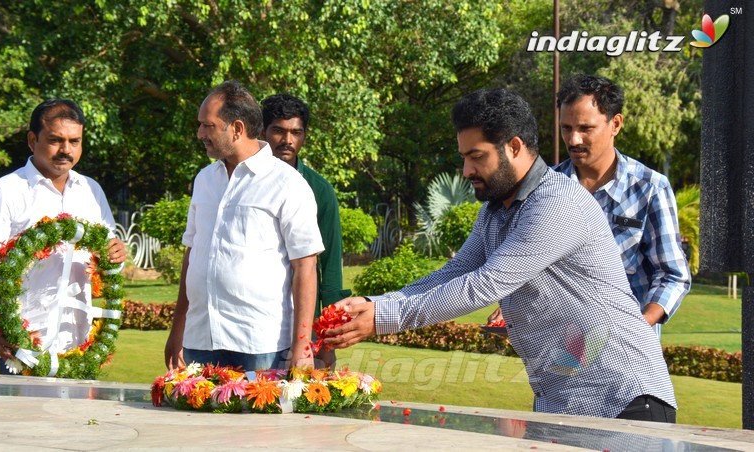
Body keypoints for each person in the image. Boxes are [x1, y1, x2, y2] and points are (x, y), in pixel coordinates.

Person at [325, 88, 677, 422]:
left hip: (624, 398)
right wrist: (374, 303)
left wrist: (385, 317)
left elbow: (484, 284)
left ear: (513, 147)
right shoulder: (496, 210)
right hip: (563, 399)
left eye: (477, 157)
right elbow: (457, 271)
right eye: (464, 158)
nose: (466, 172)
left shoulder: (557, 202)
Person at [487, 75, 691, 336]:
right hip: (558, 348)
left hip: (627, 357)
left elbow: (672, 275)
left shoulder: (650, 188)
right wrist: (511, 306)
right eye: (566, 128)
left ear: (615, 124)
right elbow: (532, 264)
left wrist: (636, 327)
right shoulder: (543, 188)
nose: (573, 140)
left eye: (585, 128)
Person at [164, 81, 324, 372]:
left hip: (260, 344)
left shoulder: (287, 184)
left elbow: (305, 266)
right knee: (194, 419)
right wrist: (178, 330)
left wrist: (302, 344)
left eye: (207, 126)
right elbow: (192, 256)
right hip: (200, 340)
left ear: (236, 129)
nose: (200, 134)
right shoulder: (204, 180)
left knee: (260, 420)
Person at [0, 99, 127, 374]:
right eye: (56, 140)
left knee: (82, 419)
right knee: (27, 418)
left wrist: (115, 256)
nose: (66, 150)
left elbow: (108, 258)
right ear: (32, 140)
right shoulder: (5, 191)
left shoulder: (90, 190)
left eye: (75, 141)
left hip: (80, 343)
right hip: (24, 343)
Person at [261, 94, 351, 369]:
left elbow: (331, 269)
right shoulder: (242, 181)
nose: (287, 140)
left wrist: (328, 339)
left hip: (304, 323)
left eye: (296, 132)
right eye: (278, 130)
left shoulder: (319, 190)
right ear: (261, 132)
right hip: (255, 319)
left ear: (304, 137)